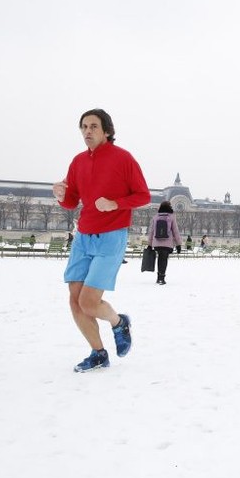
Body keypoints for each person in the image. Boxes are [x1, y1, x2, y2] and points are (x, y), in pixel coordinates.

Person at [53, 108, 150, 373]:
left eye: (93, 126)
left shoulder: (123, 158)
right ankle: (98, 353)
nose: (88, 131)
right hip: (83, 237)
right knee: (74, 300)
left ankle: (119, 322)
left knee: (88, 302)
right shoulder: (78, 161)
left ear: (106, 131)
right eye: (84, 126)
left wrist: (115, 204)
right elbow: (71, 201)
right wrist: (61, 195)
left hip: (111, 237)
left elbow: (143, 195)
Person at [148, 201, 183, 285]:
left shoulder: (156, 217)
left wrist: (149, 244)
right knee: (164, 259)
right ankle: (161, 277)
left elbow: (151, 231)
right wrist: (178, 244)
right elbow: (175, 231)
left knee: (160, 258)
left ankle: (159, 277)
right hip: (167, 243)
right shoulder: (171, 217)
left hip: (157, 242)